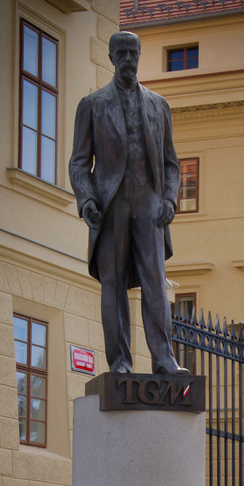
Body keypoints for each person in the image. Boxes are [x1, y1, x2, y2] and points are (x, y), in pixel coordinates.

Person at [69, 31, 187, 375]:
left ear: (139, 56)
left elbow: (170, 163)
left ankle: (164, 360)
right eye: (121, 53)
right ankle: (119, 362)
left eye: (133, 53)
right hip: (111, 201)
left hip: (149, 201)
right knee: (114, 283)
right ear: (110, 57)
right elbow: (79, 162)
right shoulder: (92, 105)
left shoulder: (158, 105)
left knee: (155, 280)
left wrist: (169, 198)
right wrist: (87, 197)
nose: (127, 59)